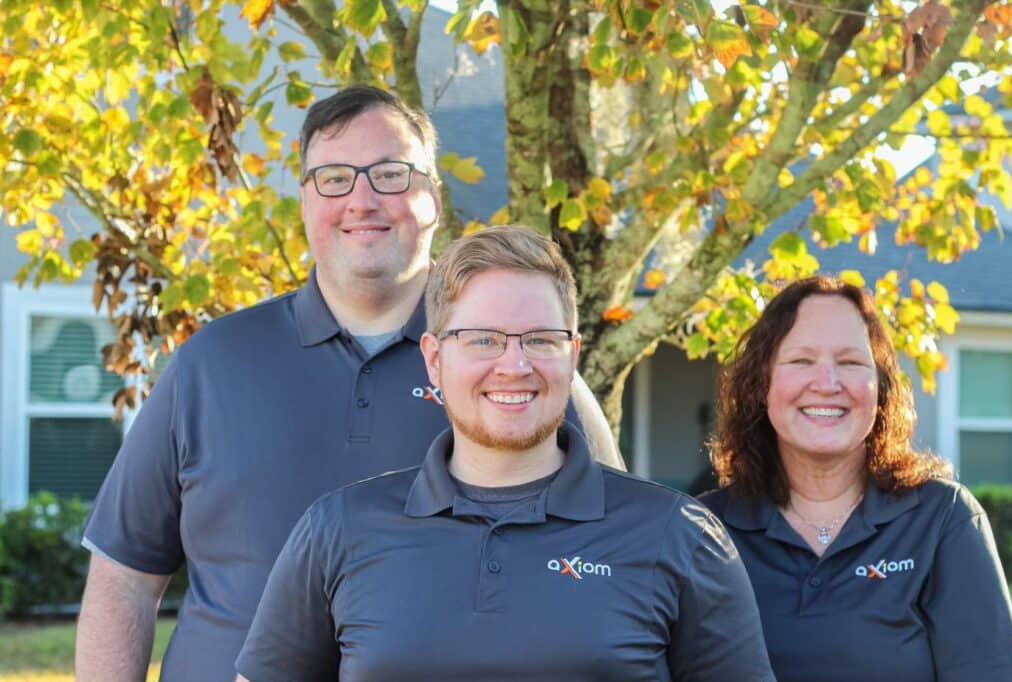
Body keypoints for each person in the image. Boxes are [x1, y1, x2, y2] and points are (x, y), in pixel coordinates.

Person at [75, 87, 624, 682]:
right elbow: (123, 578)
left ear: (434, 198)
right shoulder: (211, 365)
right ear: (306, 202)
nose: (362, 200)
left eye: (391, 175)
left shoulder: (520, 374)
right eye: (335, 177)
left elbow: (620, 564)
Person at [235, 225, 774, 681]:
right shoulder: (338, 531)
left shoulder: (678, 535)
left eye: (540, 339)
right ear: (434, 359)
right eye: (483, 339)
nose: (514, 365)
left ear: (572, 354)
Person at [700, 275, 1012, 682]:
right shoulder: (704, 532)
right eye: (801, 361)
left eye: (850, 362)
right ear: (761, 385)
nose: (827, 384)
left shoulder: (942, 520)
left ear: (880, 388)